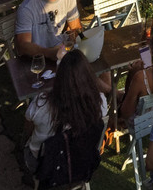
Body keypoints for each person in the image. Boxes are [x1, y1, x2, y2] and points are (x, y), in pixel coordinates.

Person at [22, 48, 107, 176]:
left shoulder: (42, 103)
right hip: (81, 162)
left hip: (44, 166)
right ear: (88, 76)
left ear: (60, 77)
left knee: (27, 145)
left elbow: (28, 131)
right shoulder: (100, 102)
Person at [15, 0, 82, 61]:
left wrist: (79, 44)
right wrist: (50, 53)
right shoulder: (27, 8)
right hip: (38, 57)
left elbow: (75, 27)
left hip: (62, 51)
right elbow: (23, 46)